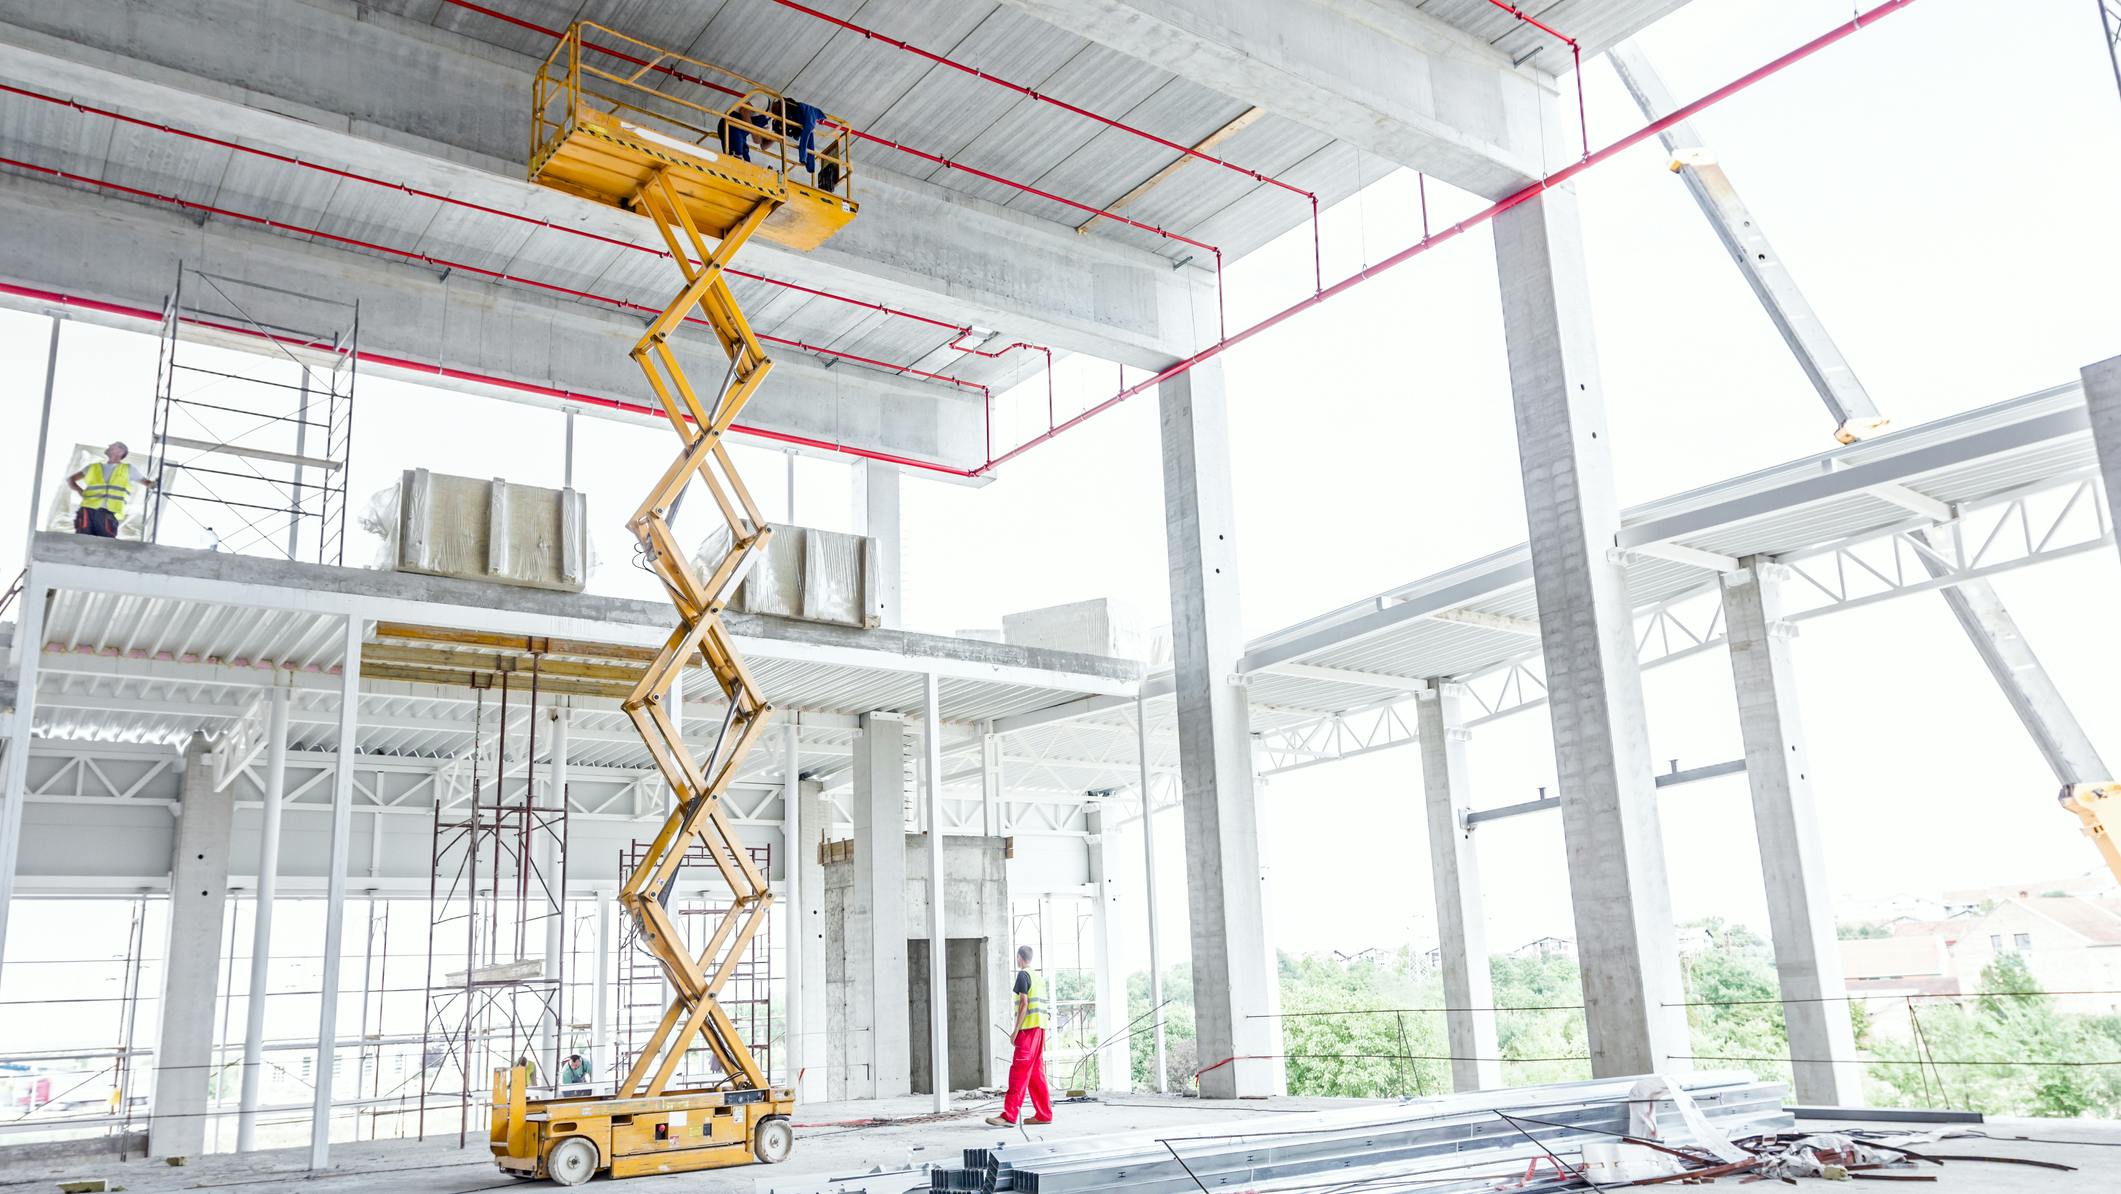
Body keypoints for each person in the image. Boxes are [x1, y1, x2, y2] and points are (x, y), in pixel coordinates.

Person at [987, 945, 1053, 1127]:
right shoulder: (1038, 978)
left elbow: (1024, 1003)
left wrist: (1016, 1030)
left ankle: (1008, 1116)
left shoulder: (1023, 975)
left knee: (1018, 1073)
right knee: (1035, 1075)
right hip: (1039, 1031)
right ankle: (1044, 1114)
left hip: (1028, 1032)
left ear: (1019, 958)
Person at [69, 441, 150, 538]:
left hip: (108, 513)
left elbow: (147, 483)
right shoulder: (93, 467)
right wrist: (80, 491)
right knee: (82, 539)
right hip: (87, 509)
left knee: (105, 544)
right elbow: (71, 480)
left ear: (121, 451)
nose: (109, 445)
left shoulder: (128, 469)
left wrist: (155, 483)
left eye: (113, 445)